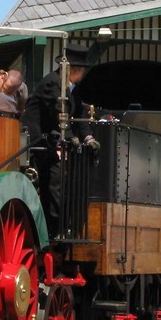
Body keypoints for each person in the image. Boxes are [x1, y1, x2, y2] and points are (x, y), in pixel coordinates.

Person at [21, 43, 97, 236]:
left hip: (54, 142)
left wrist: (88, 137)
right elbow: (58, 114)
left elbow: (79, 112)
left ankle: (61, 226)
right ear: (75, 70)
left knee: (61, 182)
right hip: (39, 143)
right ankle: (53, 229)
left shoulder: (71, 88)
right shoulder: (52, 84)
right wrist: (71, 138)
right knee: (53, 183)